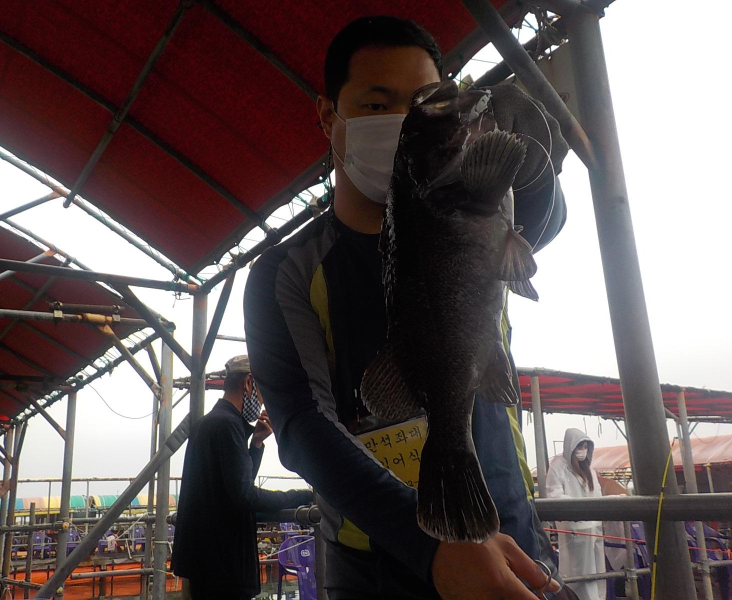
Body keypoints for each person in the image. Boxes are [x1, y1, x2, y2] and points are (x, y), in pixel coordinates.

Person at [244, 16, 571, 600]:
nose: (401, 121)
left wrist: (538, 150)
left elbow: (545, 213)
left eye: (421, 101)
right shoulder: (287, 271)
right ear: (328, 115)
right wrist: (432, 550)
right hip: (374, 566)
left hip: (515, 543)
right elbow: (299, 423)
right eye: (377, 105)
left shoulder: (477, 214)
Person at [171, 355, 313, 600]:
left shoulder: (210, 422)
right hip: (223, 564)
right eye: (261, 392)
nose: (261, 401)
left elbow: (235, 484)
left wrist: (255, 443)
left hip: (206, 561)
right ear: (248, 383)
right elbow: (244, 495)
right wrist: (303, 496)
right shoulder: (228, 425)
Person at [546, 429, 605, 600]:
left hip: (594, 528)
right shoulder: (558, 467)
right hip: (575, 530)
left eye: (586, 447)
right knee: (579, 575)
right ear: (570, 446)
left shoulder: (589, 470)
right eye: (580, 446)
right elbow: (554, 496)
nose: (583, 451)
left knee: (598, 573)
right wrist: (579, 510)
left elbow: (597, 495)